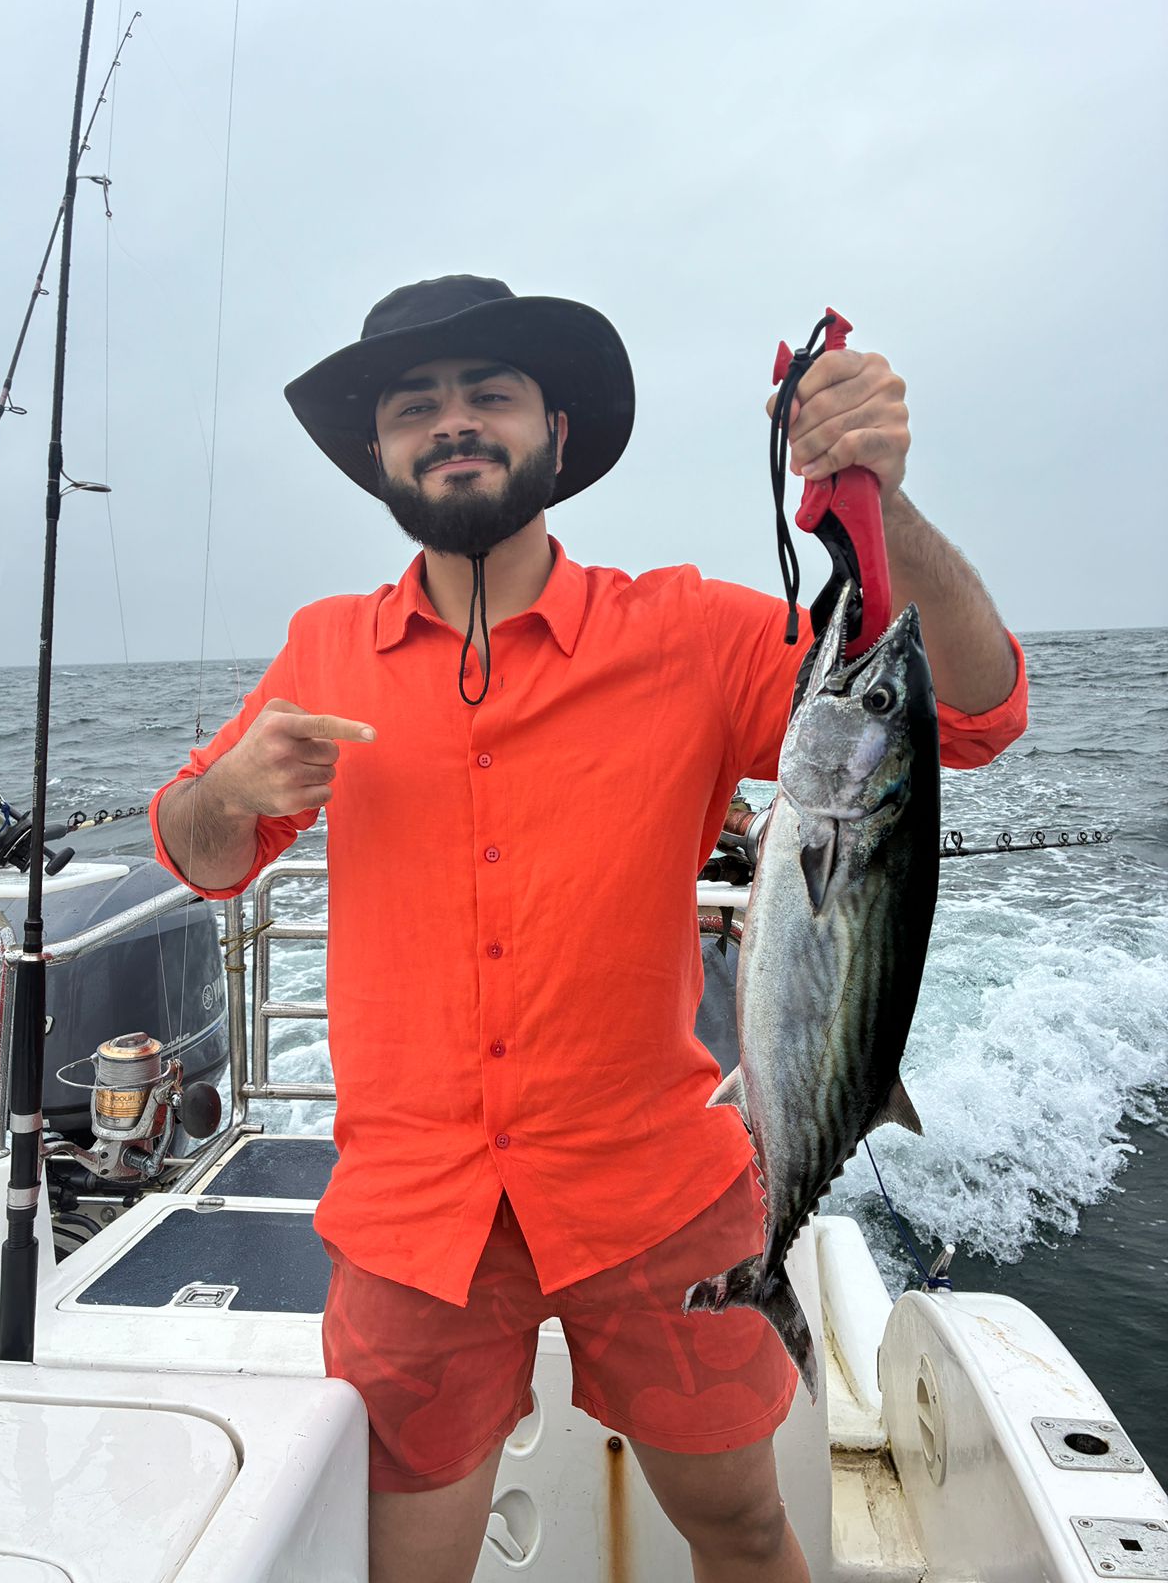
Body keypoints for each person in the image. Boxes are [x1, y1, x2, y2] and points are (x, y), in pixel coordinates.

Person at [152, 276, 1027, 1583]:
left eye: (488, 394)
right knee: (406, 1566)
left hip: (660, 1191)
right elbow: (197, 854)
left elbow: (966, 718)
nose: (454, 423)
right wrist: (228, 789)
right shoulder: (321, 651)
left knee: (742, 1526)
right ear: (379, 451)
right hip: (414, 1218)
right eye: (415, 405)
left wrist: (881, 500)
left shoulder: (692, 633)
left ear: (554, 431)